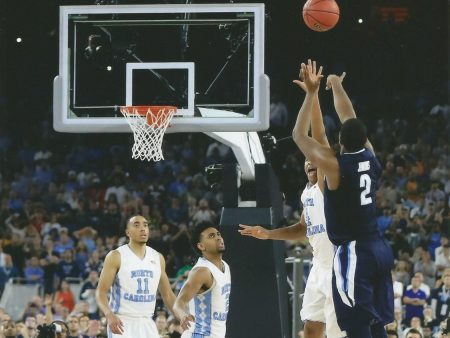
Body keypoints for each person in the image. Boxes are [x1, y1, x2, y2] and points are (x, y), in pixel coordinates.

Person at [238, 66, 344, 338]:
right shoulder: (307, 193)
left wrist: (314, 94)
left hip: (339, 265)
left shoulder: (327, 184)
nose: (311, 161)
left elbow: (319, 138)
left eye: (316, 159)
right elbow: (302, 228)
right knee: (310, 327)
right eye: (307, 160)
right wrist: (269, 234)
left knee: (336, 333)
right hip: (319, 265)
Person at [292, 60, 394, 337]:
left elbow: (299, 135)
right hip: (378, 247)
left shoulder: (336, 168)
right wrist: (336, 84)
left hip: (354, 251)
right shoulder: (370, 156)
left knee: (356, 323)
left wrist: (312, 93)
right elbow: (348, 114)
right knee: (374, 320)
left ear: (340, 140)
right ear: (364, 139)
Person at [95, 215, 176, 338]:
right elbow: (100, 292)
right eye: (137, 225)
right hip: (122, 321)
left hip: (147, 322)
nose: (143, 228)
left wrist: (183, 315)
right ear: (128, 232)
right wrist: (109, 314)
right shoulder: (116, 256)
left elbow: (168, 295)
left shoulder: (157, 257)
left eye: (145, 225)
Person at [173, 222, 231, 338]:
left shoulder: (225, 266)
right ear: (201, 246)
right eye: (211, 236)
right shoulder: (201, 271)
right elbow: (178, 303)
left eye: (218, 234)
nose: (218, 237)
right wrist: (183, 316)